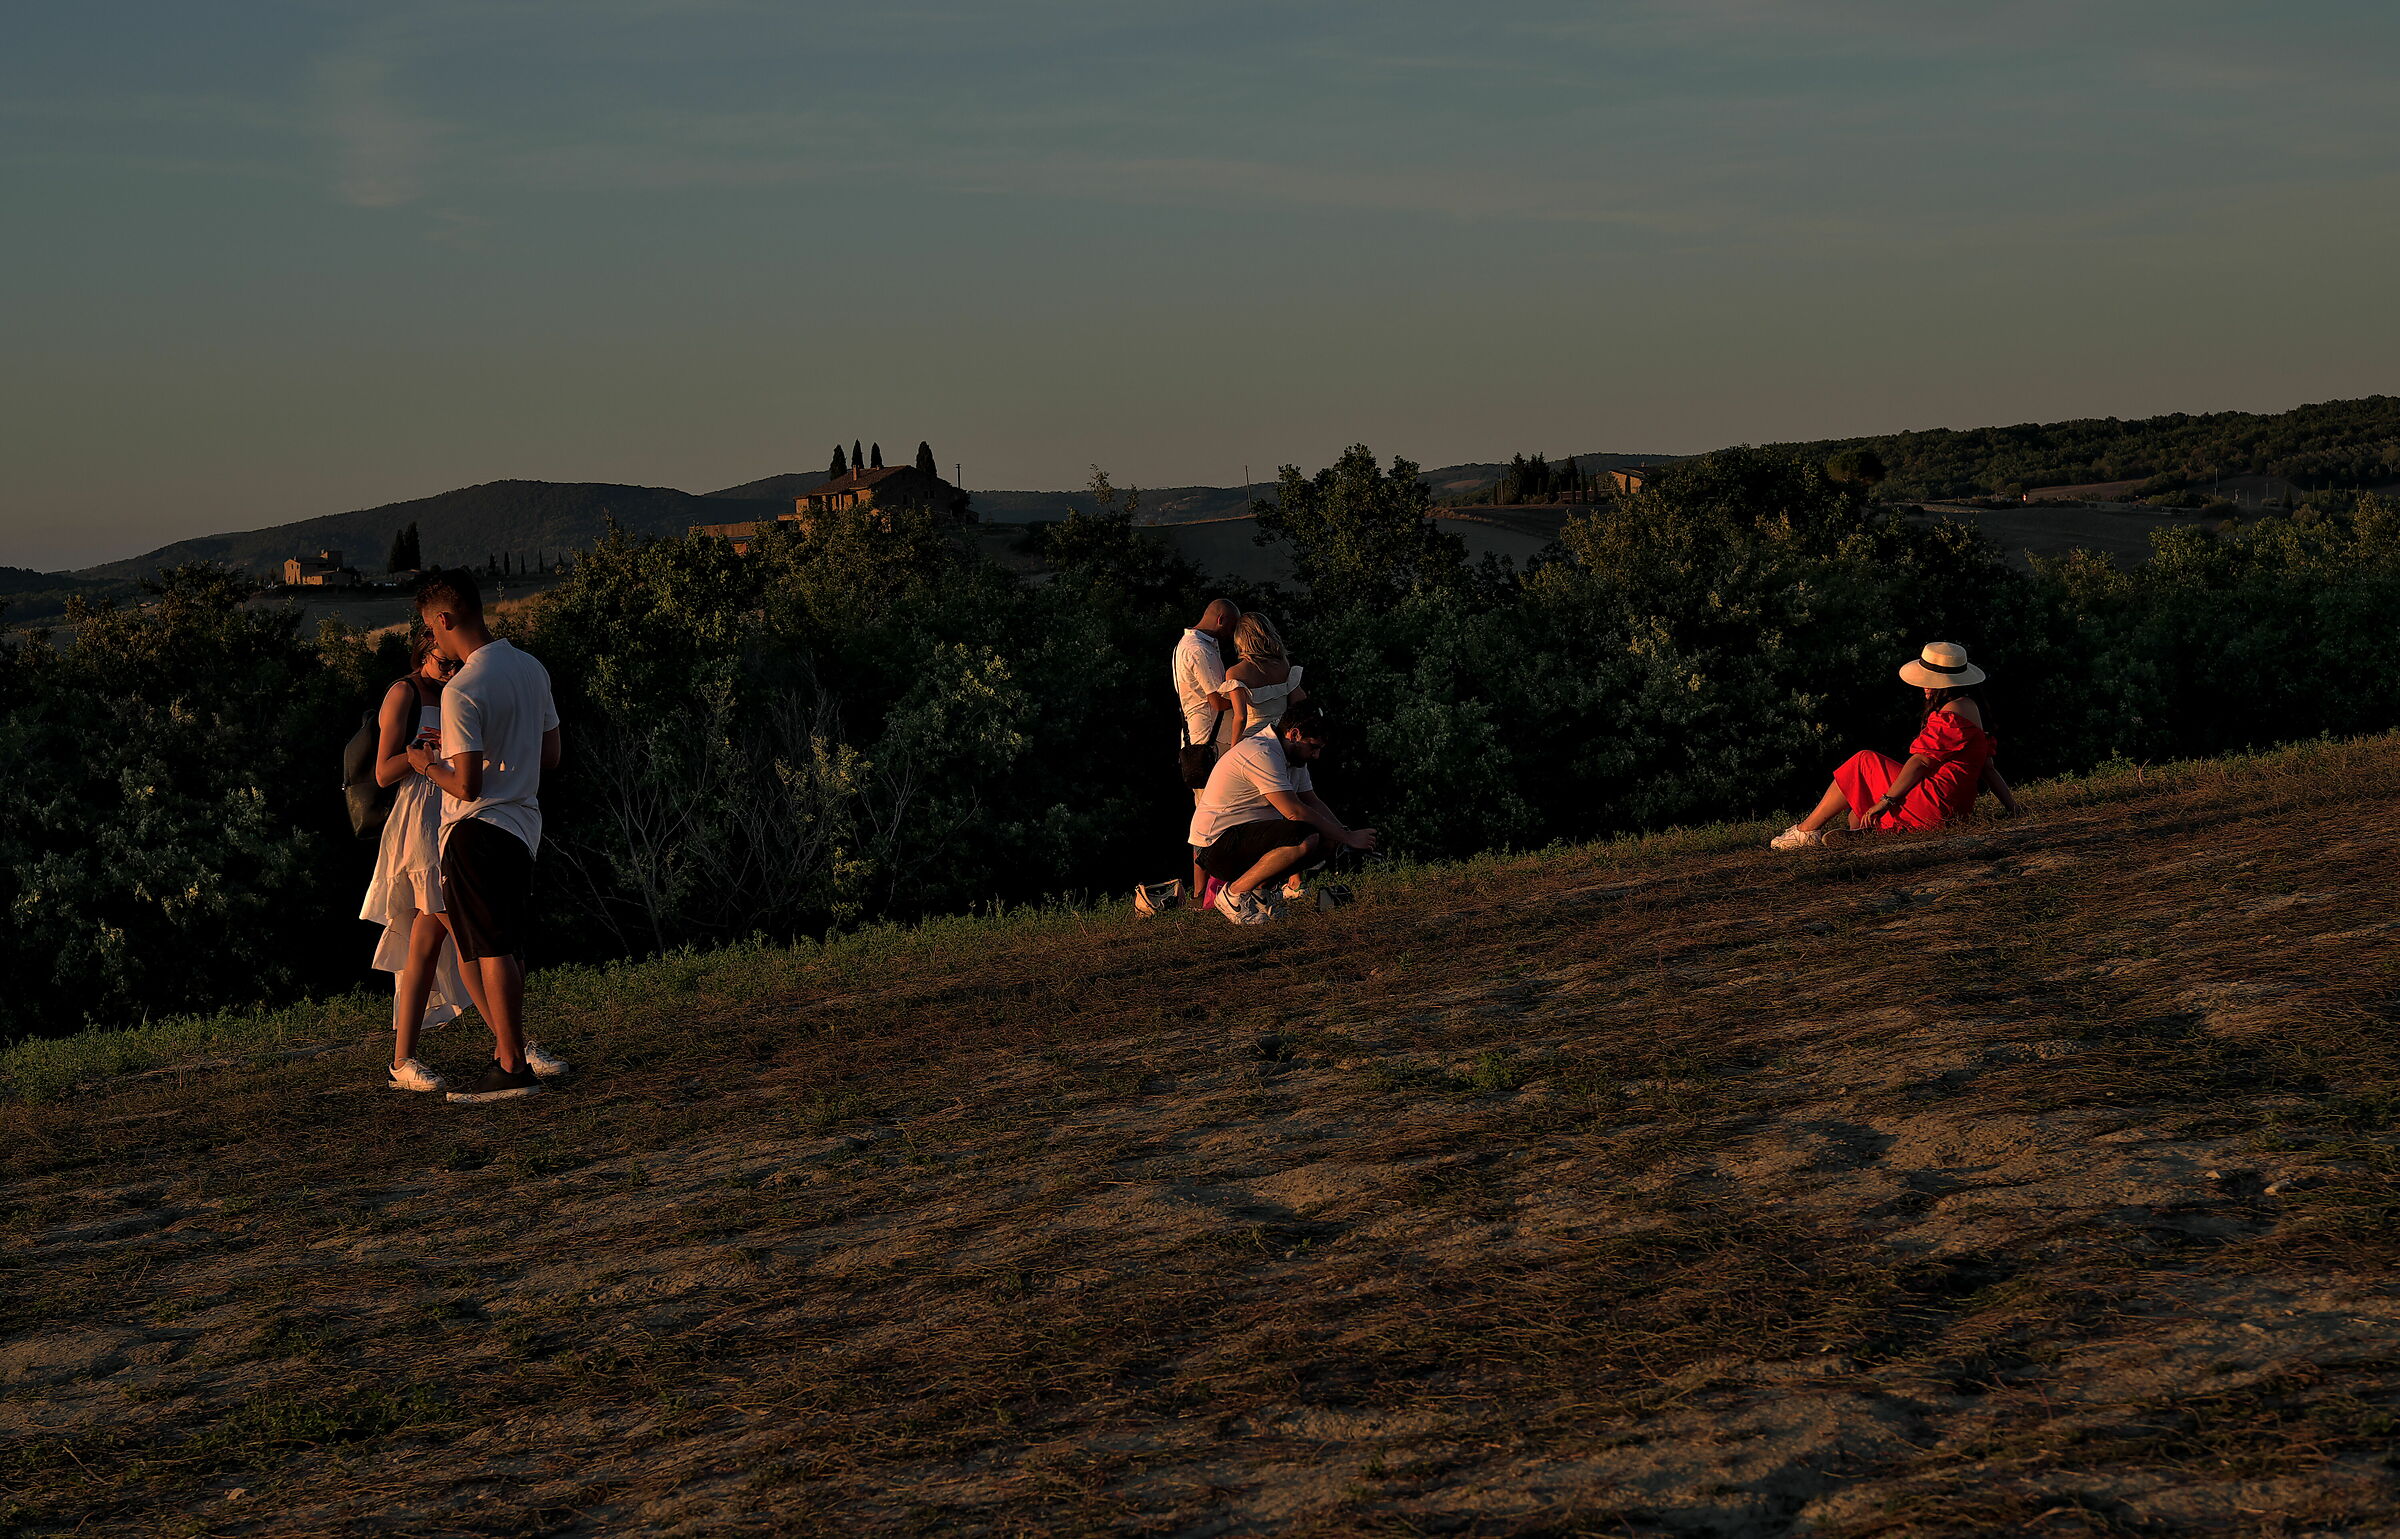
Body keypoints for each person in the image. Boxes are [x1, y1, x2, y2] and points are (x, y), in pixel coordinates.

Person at [406, 568, 568, 1102]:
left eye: (431, 629)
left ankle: (511, 1065)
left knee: (492, 948)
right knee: (503, 944)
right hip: (524, 825)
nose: (432, 639)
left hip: (477, 830)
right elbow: (551, 755)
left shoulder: (462, 689)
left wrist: (427, 764)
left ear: (444, 620)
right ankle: (510, 1054)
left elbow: (467, 784)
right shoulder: (531, 668)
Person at [1770, 642, 2021, 850]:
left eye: (1930, 680)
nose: (1925, 685)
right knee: (1865, 784)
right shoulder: (1971, 709)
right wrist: (2014, 808)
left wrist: (1886, 801)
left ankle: (1806, 831)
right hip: (1954, 810)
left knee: (1862, 760)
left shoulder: (1951, 714)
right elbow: (1988, 769)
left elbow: (1921, 761)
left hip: (1933, 806)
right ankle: (1860, 833)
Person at [362, 633, 474, 1092]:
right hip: (418, 822)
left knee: (425, 945)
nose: (450, 671)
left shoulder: (458, 691)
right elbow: (382, 771)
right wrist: (418, 757)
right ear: (424, 651)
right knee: (462, 928)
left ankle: (402, 1060)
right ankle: (512, 1044)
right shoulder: (404, 691)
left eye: (455, 664)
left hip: (452, 812)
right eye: (444, 663)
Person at [1190, 706, 1377, 925]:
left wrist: (1344, 834)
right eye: (1314, 747)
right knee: (1305, 837)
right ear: (1295, 734)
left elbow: (1311, 801)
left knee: (1327, 839)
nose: (1316, 755)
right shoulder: (1262, 752)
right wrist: (1349, 838)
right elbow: (1294, 811)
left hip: (1245, 837)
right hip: (1216, 847)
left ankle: (1260, 895)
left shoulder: (1294, 757)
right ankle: (1233, 895)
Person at [1166, 598, 1241, 901]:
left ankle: (1204, 890)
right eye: (1233, 627)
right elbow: (1218, 701)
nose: (1234, 636)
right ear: (1221, 621)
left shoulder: (1187, 645)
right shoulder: (1199, 649)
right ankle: (1208, 890)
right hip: (1210, 743)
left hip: (1196, 739)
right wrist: (1248, 693)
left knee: (1205, 815)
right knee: (1213, 816)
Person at [1223, 612, 1308, 742]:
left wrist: (1233, 747)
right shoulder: (1283, 664)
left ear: (1240, 638)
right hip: (1281, 736)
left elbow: (1241, 717)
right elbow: (1299, 700)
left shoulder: (1235, 673)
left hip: (1254, 739)